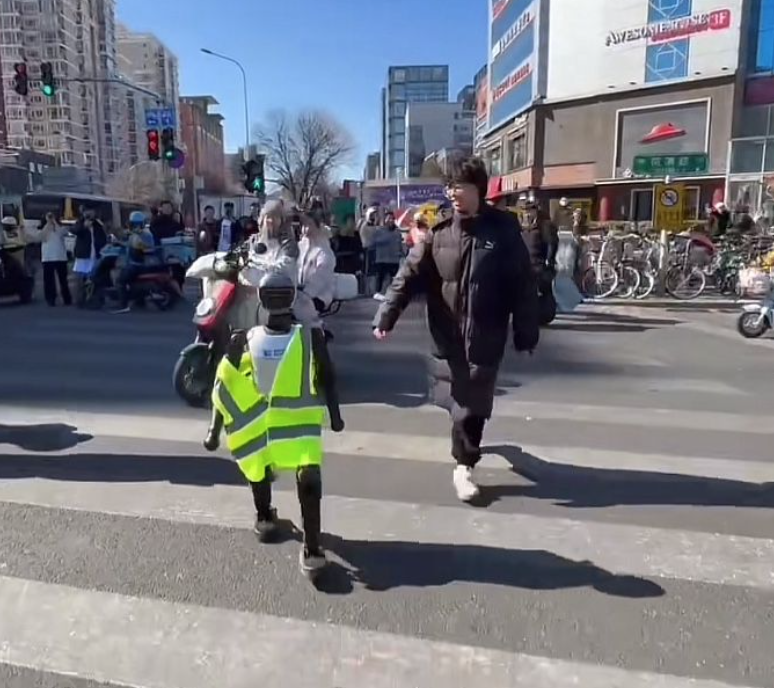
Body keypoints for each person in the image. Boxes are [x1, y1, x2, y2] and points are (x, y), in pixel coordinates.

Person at [373, 156, 539, 502]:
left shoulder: (504, 230)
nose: (453, 193)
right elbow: (408, 276)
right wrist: (386, 315)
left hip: (486, 332)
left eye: (459, 186)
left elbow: (523, 284)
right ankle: (466, 455)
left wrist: (526, 331)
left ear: (478, 188)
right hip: (447, 333)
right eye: (449, 187)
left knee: (472, 403)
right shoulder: (440, 233)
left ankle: (464, 464)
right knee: (459, 402)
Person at [204, 271, 344, 575]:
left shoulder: (247, 338)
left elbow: (223, 386)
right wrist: (334, 415)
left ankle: (281, 525)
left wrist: (214, 431)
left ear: (260, 298)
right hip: (294, 428)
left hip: (269, 427)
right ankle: (297, 536)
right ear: (293, 297)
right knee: (303, 478)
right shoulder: (308, 337)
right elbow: (328, 379)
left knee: (263, 467)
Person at [110, 210, 159, 314]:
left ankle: (123, 305)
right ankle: (139, 301)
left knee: (120, 281)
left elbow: (142, 247)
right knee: (132, 281)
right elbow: (130, 244)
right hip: (136, 262)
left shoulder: (144, 234)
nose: (133, 225)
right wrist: (119, 242)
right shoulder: (137, 233)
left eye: (135, 223)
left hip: (138, 264)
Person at [69, 207, 108, 306]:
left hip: (95, 256)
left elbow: (103, 237)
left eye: (92, 212)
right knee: (81, 279)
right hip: (83, 256)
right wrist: (84, 226)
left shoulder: (97, 224)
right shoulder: (80, 222)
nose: (90, 214)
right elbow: (74, 230)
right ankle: (80, 300)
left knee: (96, 278)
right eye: (88, 212)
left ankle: (95, 299)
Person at [38, 212, 71, 307]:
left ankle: (67, 298)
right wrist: (48, 224)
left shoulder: (60, 229)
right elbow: (41, 237)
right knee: (49, 281)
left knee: (63, 280)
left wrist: (55, 223)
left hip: (60, 257)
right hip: (48, 258)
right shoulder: (42, 230)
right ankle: (50, 299)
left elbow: (62, 233)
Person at [371, 212, 404, 300]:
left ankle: (393, 293)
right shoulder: (379, 231)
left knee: (394, 277)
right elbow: (374, 242)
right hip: (382, 258)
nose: (391, 220)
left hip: (394, 259)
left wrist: (401, 253)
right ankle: (377, 292)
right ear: (384, 220)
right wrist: (388, 238)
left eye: (392, 219)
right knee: (380, 277)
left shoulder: (397, 232)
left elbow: (399, 244)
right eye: (389, 218)